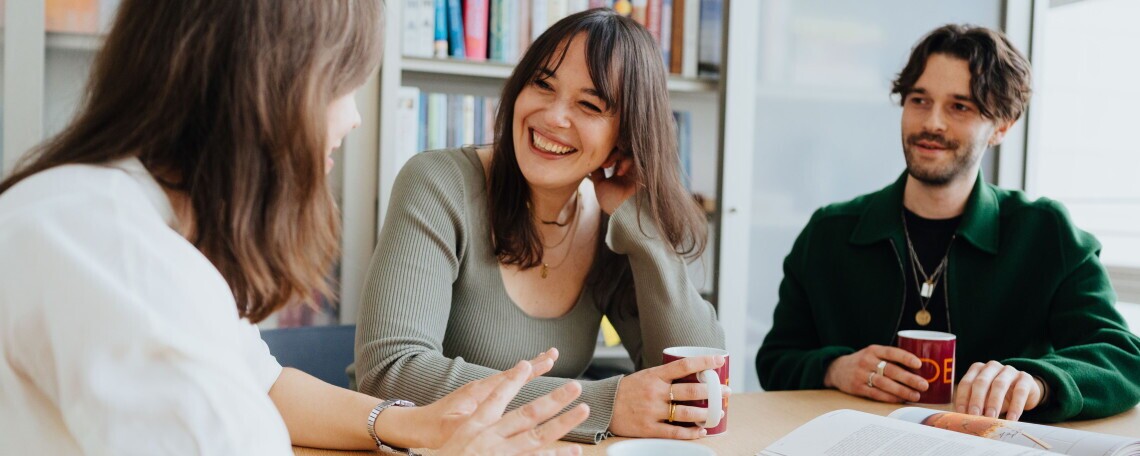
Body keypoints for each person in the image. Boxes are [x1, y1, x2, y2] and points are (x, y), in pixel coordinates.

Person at [0, 1, 590, 454]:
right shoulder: (109, 249)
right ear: (271, 84)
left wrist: (410, 425)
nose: (355, 117)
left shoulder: (131, 220)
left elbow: (259, 378)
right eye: (344, 82)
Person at [354, 8, 726, 444]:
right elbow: (392, 372)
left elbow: (696, 384)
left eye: (588, 105)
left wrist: (645, 229)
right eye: (542, 84)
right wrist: (602, 404)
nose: (553, 117)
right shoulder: (438, 183)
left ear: (625, 136)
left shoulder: (613, 224)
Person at [755, 24, 1140, 423]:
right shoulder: (829, 231)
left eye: (960, 107)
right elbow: (776, 360)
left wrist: (1038, 381)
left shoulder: (1046, 233)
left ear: (1002, 126)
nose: (932, 123)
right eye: (919, 100)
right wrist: (835, 369)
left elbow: (1123, 357)